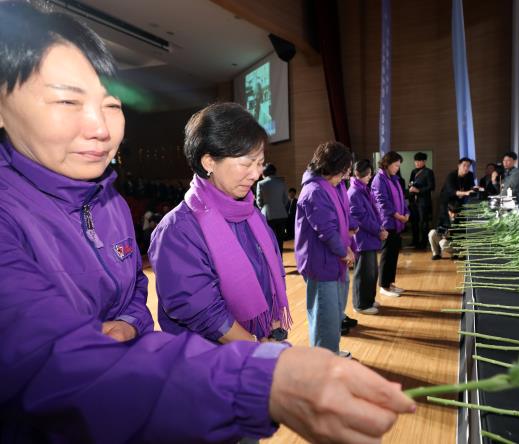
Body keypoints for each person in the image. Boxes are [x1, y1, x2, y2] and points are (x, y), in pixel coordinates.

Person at [0, 2, 414, 442]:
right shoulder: (176, 228)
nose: (100, 127)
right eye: (67, 100)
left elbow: (135, 291)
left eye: (111, 104)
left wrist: (127, 325)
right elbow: (51, 363)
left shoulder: (110, 203)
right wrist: (258, 375)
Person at [149, 103, 291, 348]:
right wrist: (257, 348)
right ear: (209, 162)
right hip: (210, 364)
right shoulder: (177, 230)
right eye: (247, 164)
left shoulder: (250, 213)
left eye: (260, 163)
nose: (256, 174)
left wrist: (274, 323)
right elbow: (203, 311)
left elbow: (269, 275)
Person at [295, 141, 355, 357]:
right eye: (344, 170)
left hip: (333, 258)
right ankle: (323, 360)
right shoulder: (314, 191)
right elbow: (327, 231)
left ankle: (330, 351)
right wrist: (344, 251)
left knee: (333, 312)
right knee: (324, 315)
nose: (346, 176)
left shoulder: (331, 185)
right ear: (332, 167)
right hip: (320, 262)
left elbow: (340, 221)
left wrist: (347, 246)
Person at [348, 159, 388, 314]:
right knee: (363, 273)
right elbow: (362, 219)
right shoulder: (354, 192)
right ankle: (361, 304)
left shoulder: (362, 189)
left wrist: (380, 228)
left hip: (370, 237)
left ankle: (369, 300)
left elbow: (371, 213)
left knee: (371, 272)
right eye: (369, 174)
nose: (370, 177)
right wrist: (378, 230)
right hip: (362, 239)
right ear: (360, 174)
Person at [372, 151, 409, 298]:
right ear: (387, 164)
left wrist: (406, 213)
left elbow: (402, 198)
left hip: (397, 222)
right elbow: (382, 202)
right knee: (387, 256)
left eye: (399, 166)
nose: (397, 168)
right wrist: (397, 215)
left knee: (393, 255)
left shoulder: (394, 178)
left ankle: (390, 283)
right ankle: (384, 286)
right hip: (388, 222)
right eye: (395, 165)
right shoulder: (379, 179)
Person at [256, 163, 289, 255]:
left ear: (264, 173)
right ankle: (280, 259)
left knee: (269, 239)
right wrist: (280, 206)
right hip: (281, 214)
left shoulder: (261, 183)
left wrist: (264, 208)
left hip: (268, 215)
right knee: (280, 239)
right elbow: (286, 199)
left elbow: (259, 201)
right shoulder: (281, 183)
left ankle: (273, 260)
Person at [408, 151, 435, 249]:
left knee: (423, 222)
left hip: (423, 201)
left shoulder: (428, 172)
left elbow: (431, 187)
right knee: (414, 222)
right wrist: (410, 186)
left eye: (419, 161)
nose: (417, 163)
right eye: (416, 161)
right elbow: (410, 182)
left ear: (424, 161)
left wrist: (418, 190)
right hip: (414, 201)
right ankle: (415, 241)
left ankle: (423, 242)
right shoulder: (413, 171)